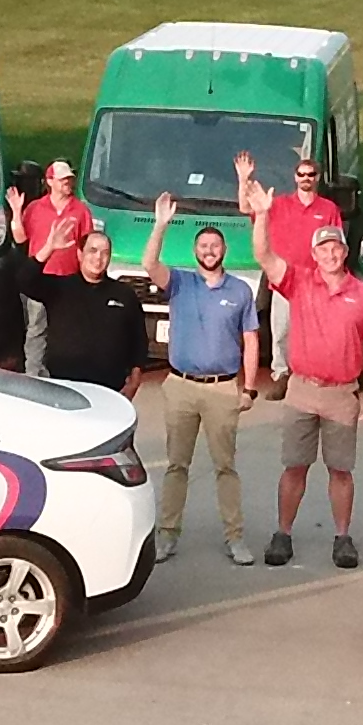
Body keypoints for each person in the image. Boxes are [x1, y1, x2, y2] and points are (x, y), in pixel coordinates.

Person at [138, 194, 262, 563]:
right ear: (195, 251)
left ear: (224, 250)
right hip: (180, 386)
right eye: (203, 246)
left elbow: (251, 340)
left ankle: (235, 537)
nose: (209, 251)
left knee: (226, 466)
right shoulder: (180, 282)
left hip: (223, 389)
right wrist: (160, 225)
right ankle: (167, 534)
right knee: (177, 465)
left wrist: (249, 387)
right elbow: (149, 264)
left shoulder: (240, 290)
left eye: (215, 245)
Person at [271, 222, 363, 569]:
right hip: (302, 389)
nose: (330, 254)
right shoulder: (299, 282)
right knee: (294, 466)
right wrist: (263, 214)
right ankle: (282, 533)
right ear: (314, 255)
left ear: (345, 251)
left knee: (340, 470)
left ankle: (342, 537)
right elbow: (264, 255)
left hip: (342, 394)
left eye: (335, 247)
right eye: (323, 249)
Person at [236, 148, 347, 394]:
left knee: (315, 332)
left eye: (311, 174)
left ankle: (311, 375)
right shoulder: (280, 204)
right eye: (301, 174)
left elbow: (337, 246)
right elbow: (246, 208)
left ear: (317, 178)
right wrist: (243, 178)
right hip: (285, 280)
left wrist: (335, 281)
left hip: (317, 281)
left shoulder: (328, 209)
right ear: (295, 177)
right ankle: (282, 374)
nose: (306, 178)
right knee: (282, 330)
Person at [40, 227, 153, 400]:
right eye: (92, 251)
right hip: (64, 386)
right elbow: (24, 279)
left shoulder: (124, 294)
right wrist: (49, 247)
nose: (98, 258)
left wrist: (135, 381)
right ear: (80, 254)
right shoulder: (59, 288)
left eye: (105, 253)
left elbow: (138, 339)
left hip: (109, 389)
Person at [8, 161, 95, 374]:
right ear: (50, 182)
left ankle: (61, 373)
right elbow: (20, 239)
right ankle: (34, 375)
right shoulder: (35, 208)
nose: (68, 182)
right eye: (63, 179)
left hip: (68, 281)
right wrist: (17, 213)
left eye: (70, 179)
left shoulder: (81, 210)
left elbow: (86, 245)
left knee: (66, 330)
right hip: (40, 279)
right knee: (36, 329)